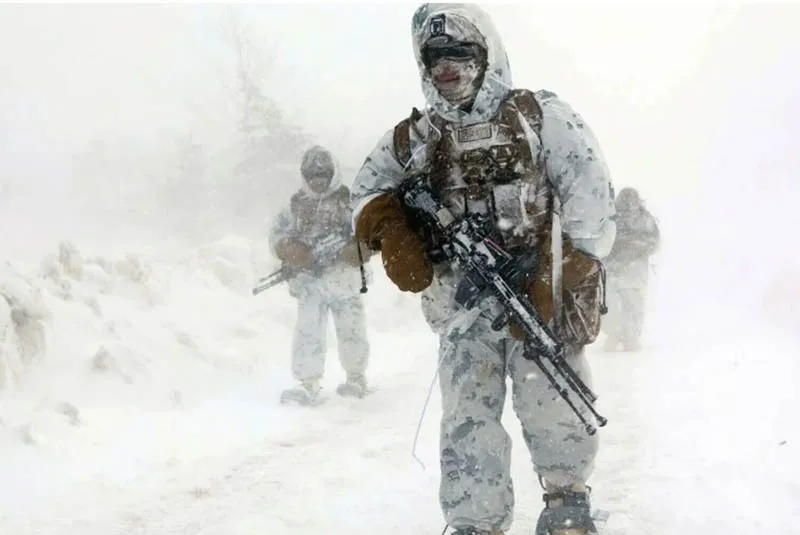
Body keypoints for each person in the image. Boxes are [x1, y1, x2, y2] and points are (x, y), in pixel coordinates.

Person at [350, 4, 617, 534]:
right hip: (460, 305)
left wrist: (569, 267)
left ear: (486, 55)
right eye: (435, 56)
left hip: (537, 295)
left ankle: (567, 499)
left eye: (461, 53)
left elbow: (590, 190)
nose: (447, 67)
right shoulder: (414, 138)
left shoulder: (539, 117)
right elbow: (365, 193)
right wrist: (391, 229)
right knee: (468, 417)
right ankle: (474, 520)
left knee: (553, 398)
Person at [268, 145, 372, 405]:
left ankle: (356, 377)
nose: (317, 181)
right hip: (311, 281)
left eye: (322, 175)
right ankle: (308, 382)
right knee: (308, 331)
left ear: (332, 174)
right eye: (312, 176)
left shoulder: (349, 201)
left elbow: (369, 233)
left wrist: (354, 250)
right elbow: (277, 235)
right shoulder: (295, 204)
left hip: (345, 278)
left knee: (351, 329)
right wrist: (293, 251)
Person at [602, 187, 660, 352]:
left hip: (634, 271)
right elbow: (604, 241)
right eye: (625, 201)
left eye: (631, 201)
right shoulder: (611, 218)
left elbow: (654, 242)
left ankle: (631, 337)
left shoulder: (645, 219)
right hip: (614, 269)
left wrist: (635, 246)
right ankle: (614, 335)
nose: (628, 204)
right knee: (610, 306)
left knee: (633, 305)